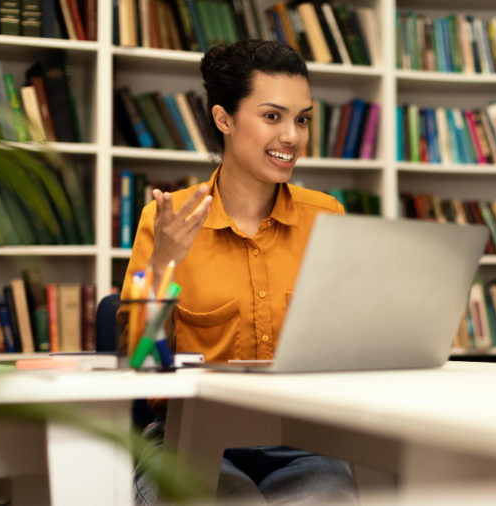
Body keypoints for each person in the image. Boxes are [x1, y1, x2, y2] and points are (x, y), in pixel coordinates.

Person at [118, 40, 357, 505]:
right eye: (272, 116)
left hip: (303, 443)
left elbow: (348, 345)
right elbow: (144, 363)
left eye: (302, 118)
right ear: (224, 119)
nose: (292, 136)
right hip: (188, 440)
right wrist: (164, 263)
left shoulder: (326, 218)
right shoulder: (165, 221)